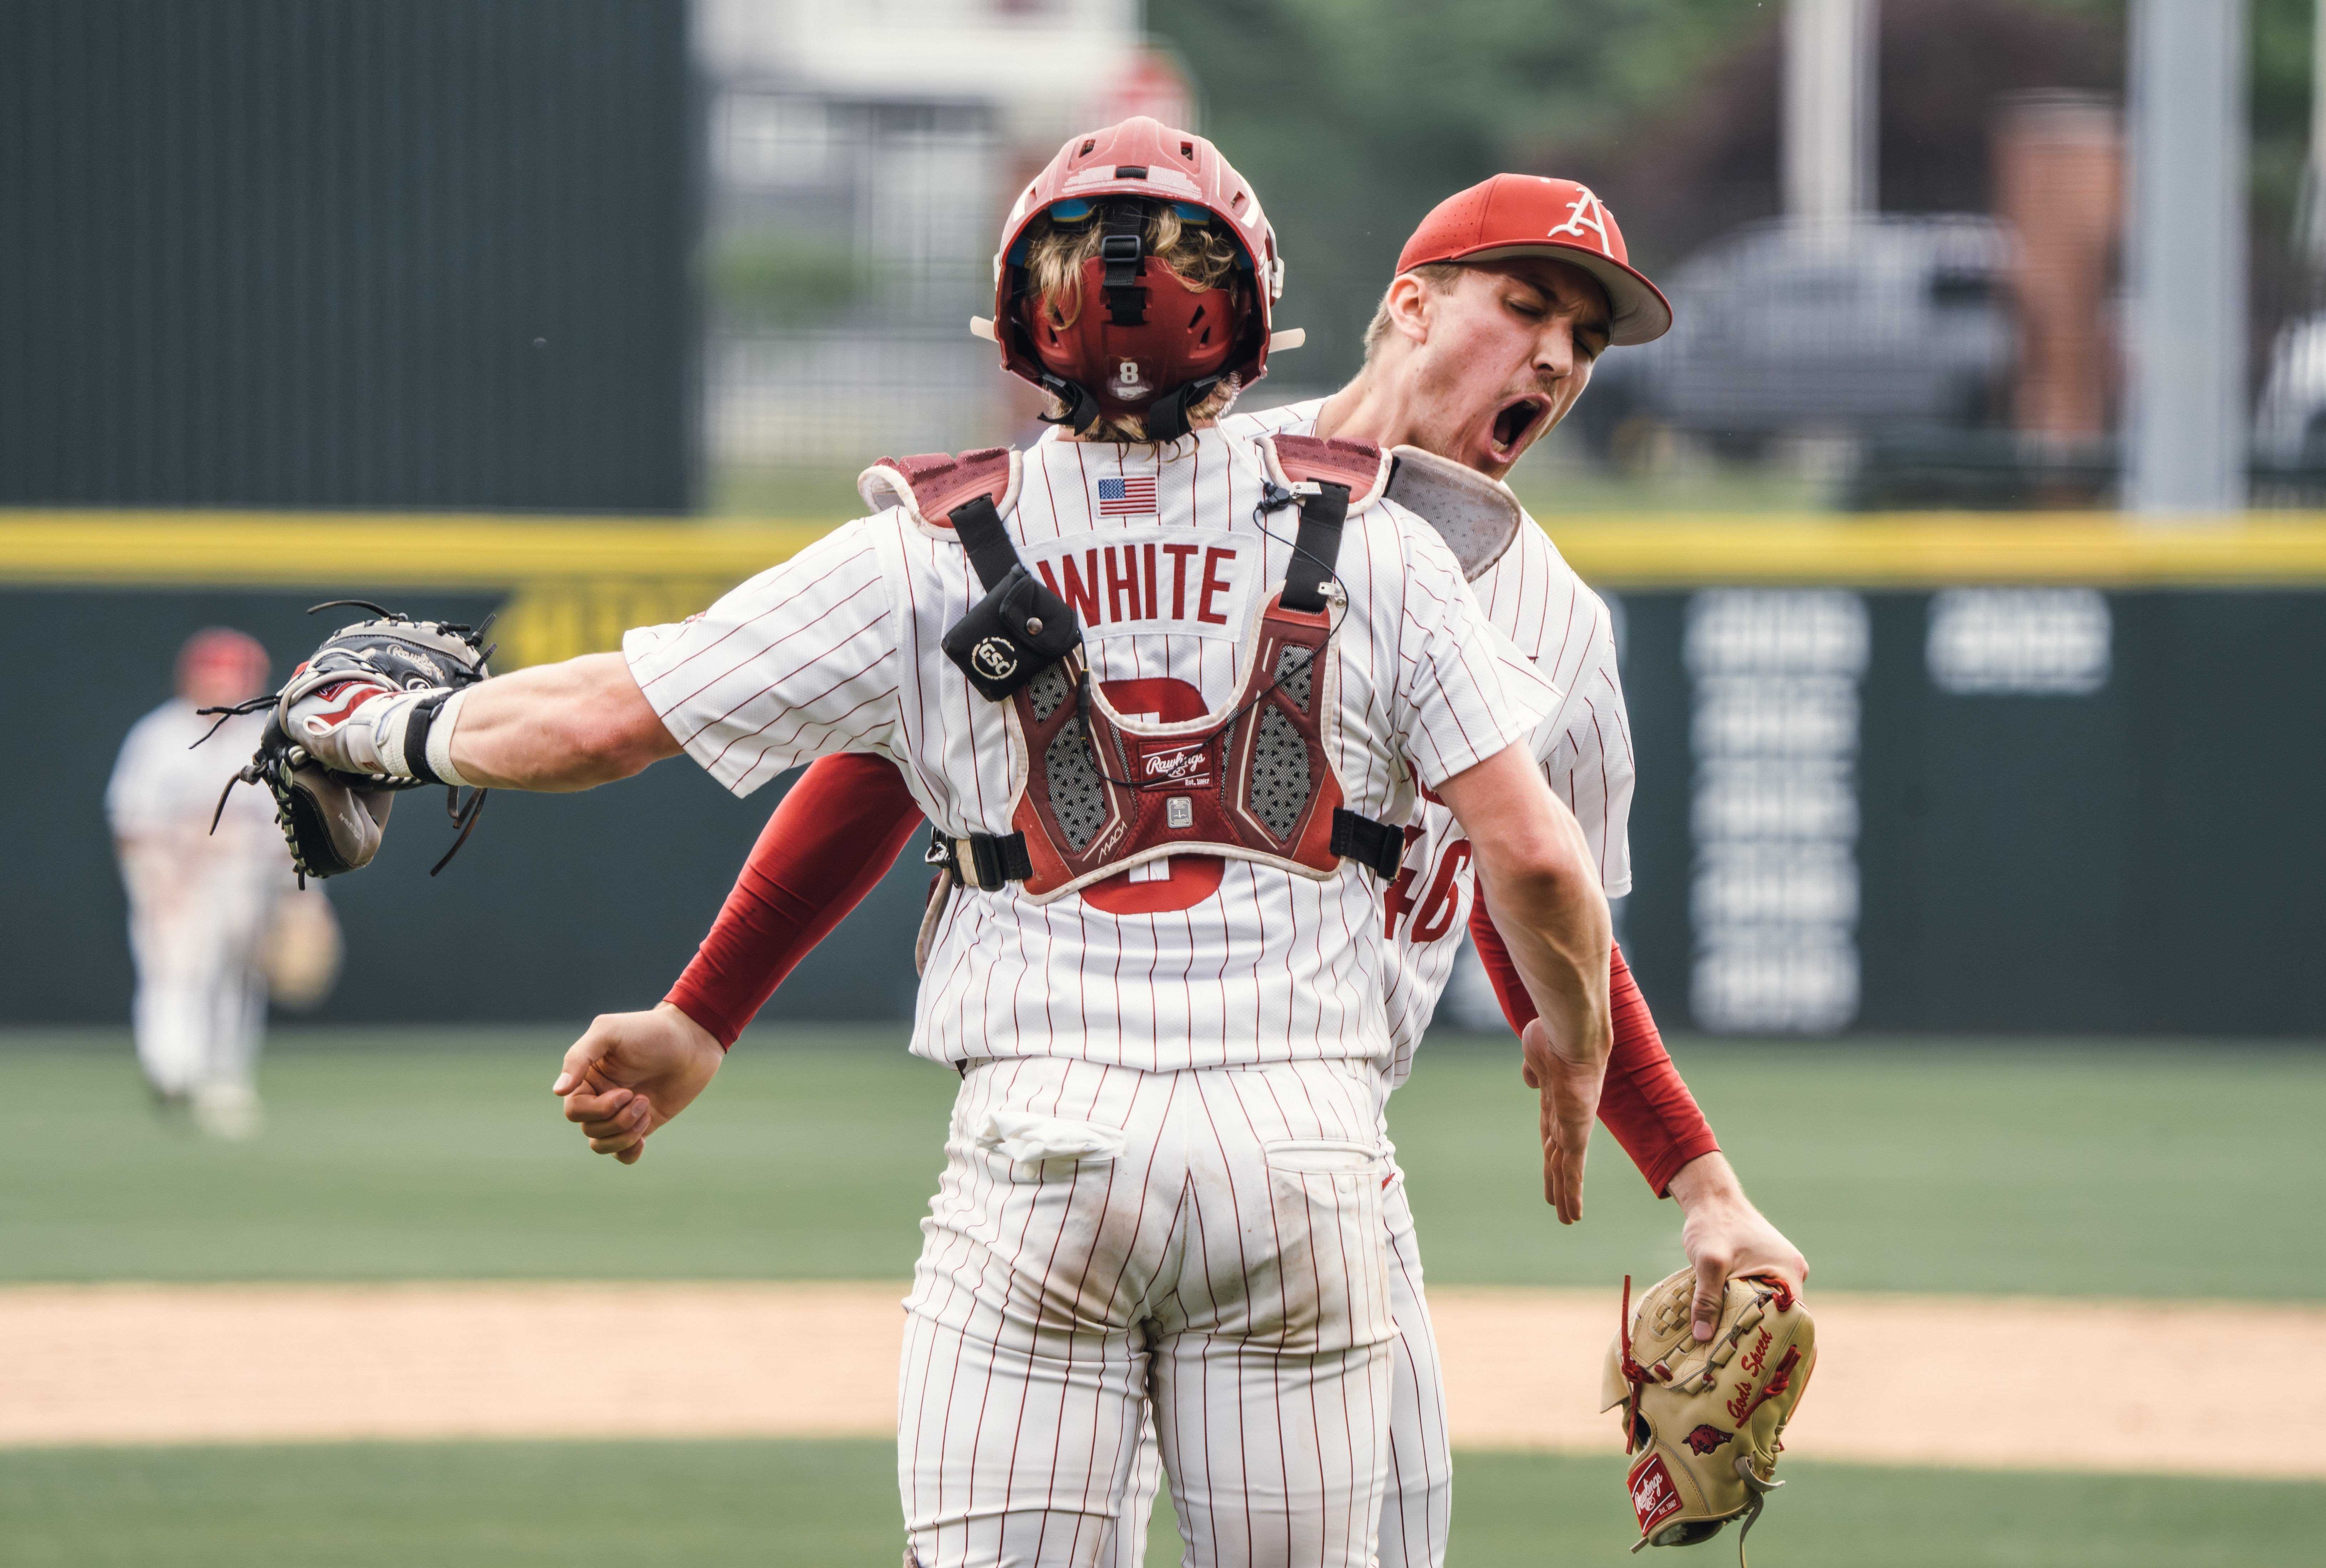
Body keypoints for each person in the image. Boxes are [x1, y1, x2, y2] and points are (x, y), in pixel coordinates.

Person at [281, 119, 1615, 1568]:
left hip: (1043, 1145)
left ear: (1011, 325)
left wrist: (370, 728)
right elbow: (1534, 863)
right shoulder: (1385, 547)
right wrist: (1575, 1033)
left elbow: (603, 720)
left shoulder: (923, 549)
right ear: (1255, 325)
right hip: (1303, 1157)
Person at [557, 174, 1809, 1568]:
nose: (1556, 358)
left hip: (1318, 1158)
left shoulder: (1554, 627)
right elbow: (908, 728)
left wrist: (1695, 1176)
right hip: (1076, 1122)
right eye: (1524, 307)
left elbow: (1532, 900)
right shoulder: (1186, 468)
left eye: (1584, 340)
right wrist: (705, 1008)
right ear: (1407, 304)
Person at [106, 629, 302, 1138]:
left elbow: (286, 829)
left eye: (233, 678)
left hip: (243, 880)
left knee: (237, 980)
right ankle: (171, 1071)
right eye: (213, 677)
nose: (223, 688)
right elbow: (131, 824)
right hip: (177, 877)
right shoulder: (159, 737)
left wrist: (300, 899)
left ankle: (225, 1078)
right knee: (174, 972)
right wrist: (155, 884)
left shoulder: (263, 738)